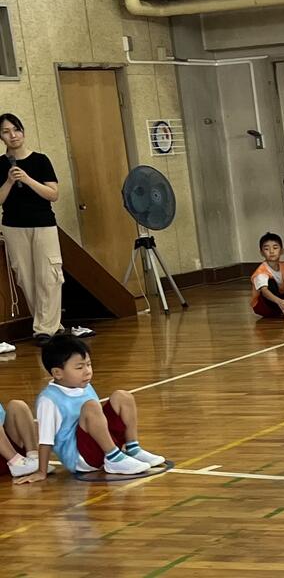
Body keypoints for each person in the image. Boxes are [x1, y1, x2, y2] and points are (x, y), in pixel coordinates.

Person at [15, 335, 164, 483]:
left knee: (123, 396)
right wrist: (41, 472)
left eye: (89, 364)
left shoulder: (84, 385)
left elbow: (98, 423)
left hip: (100, 446)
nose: (87, 371)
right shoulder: (49, 399)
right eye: (79, 367)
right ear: (57, 373)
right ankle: (113, 458)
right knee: (91, 406)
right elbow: (45, 441)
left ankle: (132, 449)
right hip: (82, 458)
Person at [0, 113, 95, 344]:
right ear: (1, 137)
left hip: (43, 224)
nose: (13, 135)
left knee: (49, 275)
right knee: (25, 277)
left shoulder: (40, 160)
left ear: (23, 131)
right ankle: (48, 326)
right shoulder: (0, 165)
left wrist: (27, 179)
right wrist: (10, 181)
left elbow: (53, 194)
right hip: (13, 226)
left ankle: (45, 329)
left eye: (16, 129)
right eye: (6, 132)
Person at [250, 232, 284, 319]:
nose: (271, 251)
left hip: (281, 299)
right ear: (261, 253)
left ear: (282, 251)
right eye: (267, 249)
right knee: (270, 282)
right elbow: (264, 291)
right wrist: (280, 302)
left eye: (275, 248)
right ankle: (281, 307)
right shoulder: (261, 271)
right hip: (265, 306)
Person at [0, 400, 39, 478]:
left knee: (17, 405)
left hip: (7, 450)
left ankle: (34, 459)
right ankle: (17, 462)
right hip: (10, 458)